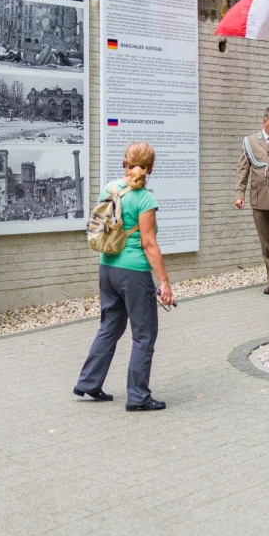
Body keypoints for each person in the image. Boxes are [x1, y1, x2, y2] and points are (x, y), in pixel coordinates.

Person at [75, 142, 174, 410]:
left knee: (109, 327)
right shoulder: (145, 198)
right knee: (144, 334)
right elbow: (149, 244)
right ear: (151, 167)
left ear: (124, 162)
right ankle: (139, 397)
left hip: (107, 266)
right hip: (133, 272)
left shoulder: (109, 188)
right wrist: (164, 281)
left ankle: (88, 382)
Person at [235, 107, 269, 298]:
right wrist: (239, 194)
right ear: (265, 122)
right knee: (266, 243)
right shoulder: (250, 142)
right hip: (258, 200)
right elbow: (243, 170)